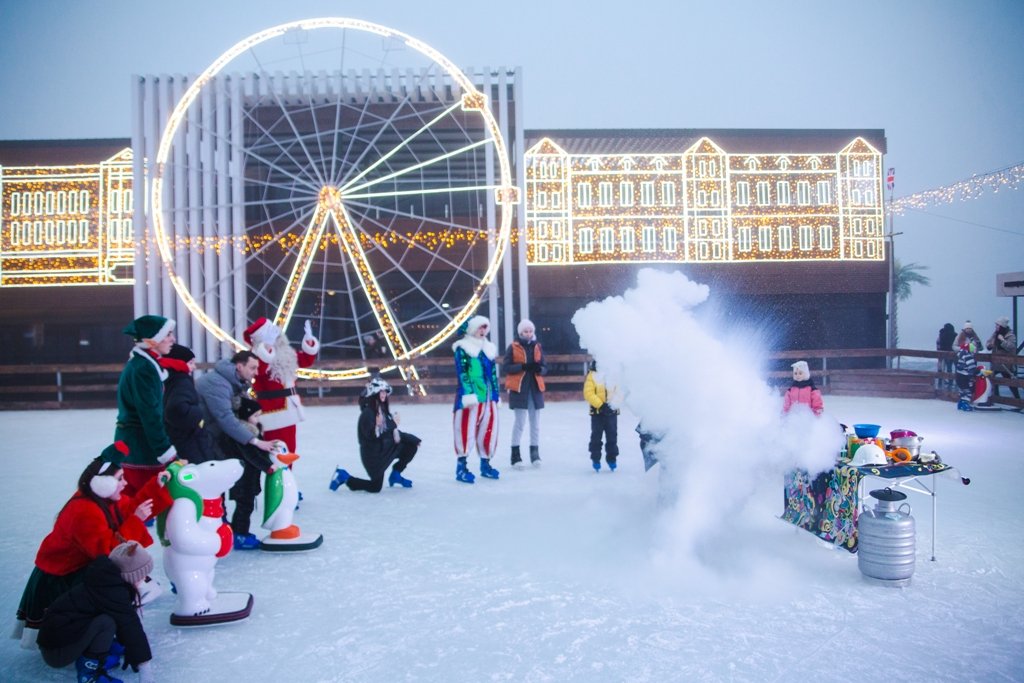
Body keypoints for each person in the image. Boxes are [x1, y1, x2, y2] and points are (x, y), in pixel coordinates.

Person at [15, 444, 172, 644]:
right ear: (102, 484)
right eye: (120, 479)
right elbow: (107, 551)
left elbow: (131, 508)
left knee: (115, 582)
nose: (126, 483)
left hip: (81, 568)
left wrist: (156, 487)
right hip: (62, 578)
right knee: (110, 585)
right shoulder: (84, 510)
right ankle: (86, 642)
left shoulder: (105, 498)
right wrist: (136, 520)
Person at [37, 541, 157, 683]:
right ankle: (88, 674)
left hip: (56, 643)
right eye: (142, 575)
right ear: (131, 575)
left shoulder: (104, 580)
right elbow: (130, 626)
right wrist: (144, 666)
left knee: (106, 619)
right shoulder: (112, 591)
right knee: (106, 622)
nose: (144, 579)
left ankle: (102, 652)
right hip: (57, 652)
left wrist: (130, 648)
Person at [195, 350, 276, 549]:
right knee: (220, 485)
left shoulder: (234, 382)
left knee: (240, 481)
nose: (256, 372)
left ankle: (230, 529)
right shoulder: (217, 383)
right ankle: (225, 531)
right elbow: (225, 419)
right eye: (252, 367)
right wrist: (255, 441)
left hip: (221, 439)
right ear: (239, 366)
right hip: (209, 440)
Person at [114, 315, 178, 496]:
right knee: (144, 504)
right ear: (153, 339)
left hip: (135, 444)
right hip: (140, 448)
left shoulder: (143, 365)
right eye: (168, 334)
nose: (172, 339)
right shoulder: (144, 369)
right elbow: (150, 415)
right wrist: (166, 452)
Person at [330, 377, 421, 493]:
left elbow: (389, 432)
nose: (383, 395)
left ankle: (395, 475)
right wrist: (391, 424)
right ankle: (345, 477)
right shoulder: (368, 413)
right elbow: (372, 436)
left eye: (385, 392)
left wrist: (411, 438)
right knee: (375, 487)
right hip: (373, 455)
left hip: (383, 448)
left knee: (410, 447)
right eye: (381, 392)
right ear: (374, 393)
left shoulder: (381, 409)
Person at [244, 317, 320, 454]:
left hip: (290, 408)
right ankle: (279, 475)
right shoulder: (255, 357)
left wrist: (309, 342)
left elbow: (304, 361)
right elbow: (259, 370)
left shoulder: (285, 352)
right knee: (278, 452)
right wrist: (266, 348)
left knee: (289, 450)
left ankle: (286, 475)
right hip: (273, 411)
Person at [451, 315, 501, 483]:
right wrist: (468, 394)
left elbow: (493, 374)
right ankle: (461, 467)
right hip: (470, 397)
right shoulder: (463, 348)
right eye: (480, 327)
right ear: (472, 329)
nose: (483, 331)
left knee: (489, 430)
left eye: (485, 327)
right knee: (465, 430)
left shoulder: (488, 349)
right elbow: (462, 372)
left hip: (488, 398)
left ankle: (485, 464)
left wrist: (496, 394)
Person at [225, 398, 278, 549]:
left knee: (245, 506)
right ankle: (240, 535)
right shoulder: (244, 435)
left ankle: (238, 532)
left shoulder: (253, 432)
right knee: (245, 507)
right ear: (246, 416)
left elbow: (259, 452)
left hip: (249, 478)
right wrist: (268, 467)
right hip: (243, 480)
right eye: (255, 416)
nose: (258, 419)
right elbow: (251, 456)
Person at [160, 344, 221, 463]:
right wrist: (198, 413)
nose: (194, 367)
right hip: (190, 441)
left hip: (178, 440)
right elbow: (175, 408)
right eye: (191, 363)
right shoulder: (182, 381)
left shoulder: (169, 380)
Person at [503, 319, 547, 467]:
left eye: (530, 331)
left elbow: (544, 366)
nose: (528, 334)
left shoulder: (538, 347)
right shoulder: (513, 347)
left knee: (535, 424)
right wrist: (522, 366)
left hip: (535, 390)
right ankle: (515, 455)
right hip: (519, 390)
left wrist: (539, 369)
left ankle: (535, 454)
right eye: (525, 331)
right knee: (520, 423)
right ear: (520, 333)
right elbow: (506, 367)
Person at [584, 360, 620, 472]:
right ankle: (595, 459)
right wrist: (600, 405)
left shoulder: (614, 375)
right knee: (596, 437)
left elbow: (620, 392)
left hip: (611, 412)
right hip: (597, 413)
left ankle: (612, 459)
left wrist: (612, 404)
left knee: (612, 437)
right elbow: (588, 393)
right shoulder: (592, 375)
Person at [986, 316, 1020, 400]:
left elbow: (1011, 347)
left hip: (1006, 364)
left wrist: (1002, 340)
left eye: (997, 325)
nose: (996, 327)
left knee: (1010, 383)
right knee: (992, 378)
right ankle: (996, 397)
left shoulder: (1010, 335)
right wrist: (990, 344)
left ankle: (1018, 401)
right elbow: (988, 343)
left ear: (1002, 326)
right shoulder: (995, 334)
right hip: (996, 362)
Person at [954, 330, 982, 411]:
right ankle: (966, 405)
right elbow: (972, 368)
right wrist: (979, 373)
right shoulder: (968, 356)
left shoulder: (961, 355)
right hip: (965, 377)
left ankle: (960, 404)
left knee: (962, 391)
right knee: (968, 392)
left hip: (958, 376)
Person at [936, 322, 957, 390]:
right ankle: (952, 383)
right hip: (953, 353)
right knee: (952, 368)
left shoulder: (942, 334)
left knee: (944, 369)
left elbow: (938, 344)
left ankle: (941, 384)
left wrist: (939, 351)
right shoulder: (954, 335)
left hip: (943, 353)